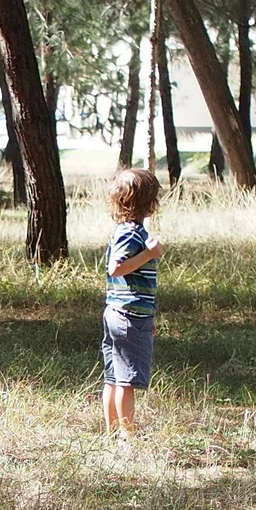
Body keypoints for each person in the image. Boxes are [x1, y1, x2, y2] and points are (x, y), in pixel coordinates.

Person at [101, 167, 162, 439]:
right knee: (126, 379)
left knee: (114, 376)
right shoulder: (132, 234)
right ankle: (128, 435)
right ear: (148, 203)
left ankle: (112, 432)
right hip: (128, 315)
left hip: (120, 312)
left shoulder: (125, 230)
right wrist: (149, 254)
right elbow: (117, 268)